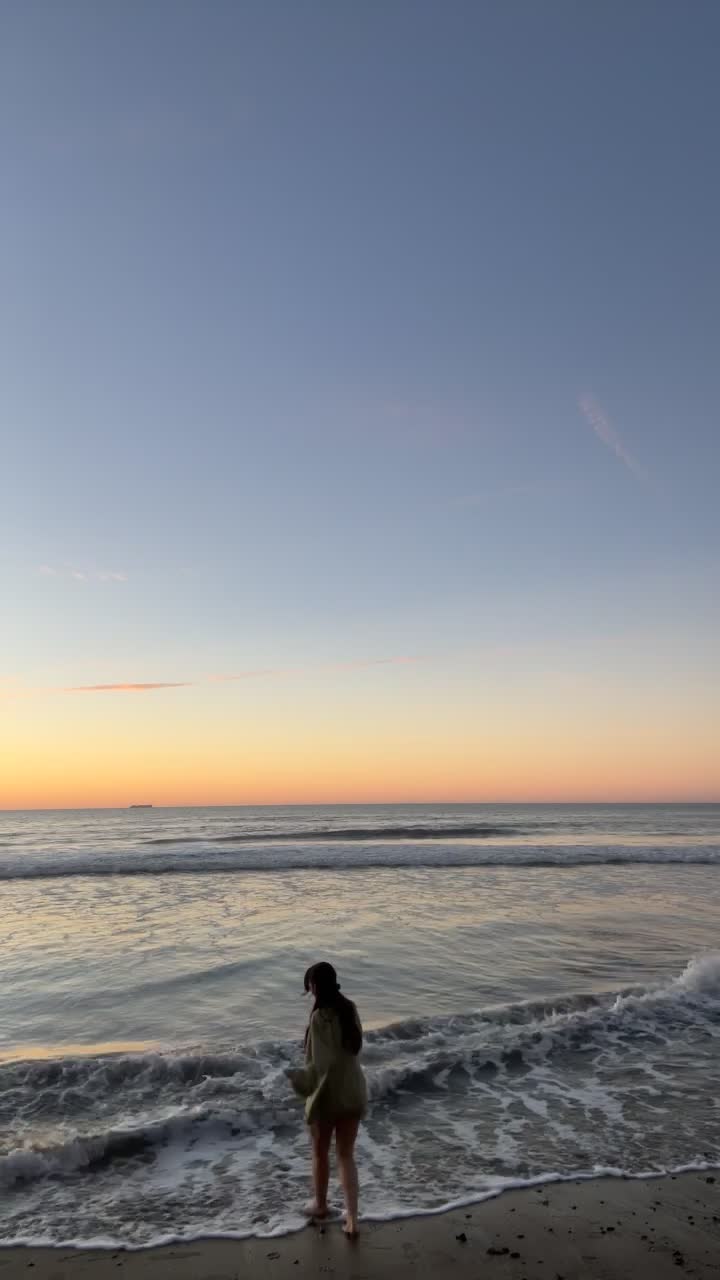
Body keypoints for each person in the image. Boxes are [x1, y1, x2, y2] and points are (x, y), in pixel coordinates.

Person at [287, 961, 367, 1238]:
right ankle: (352, 1219)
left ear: (316, 986)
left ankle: (320, 1206)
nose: (309, 992)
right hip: (354, 1092)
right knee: (346, 1155)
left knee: (320, 1152)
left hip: (328, 1096)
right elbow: (353, 1050)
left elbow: (318, 1065)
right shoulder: (350, 1009)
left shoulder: (319, 1018)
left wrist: (297, 1080)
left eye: (309, 987)